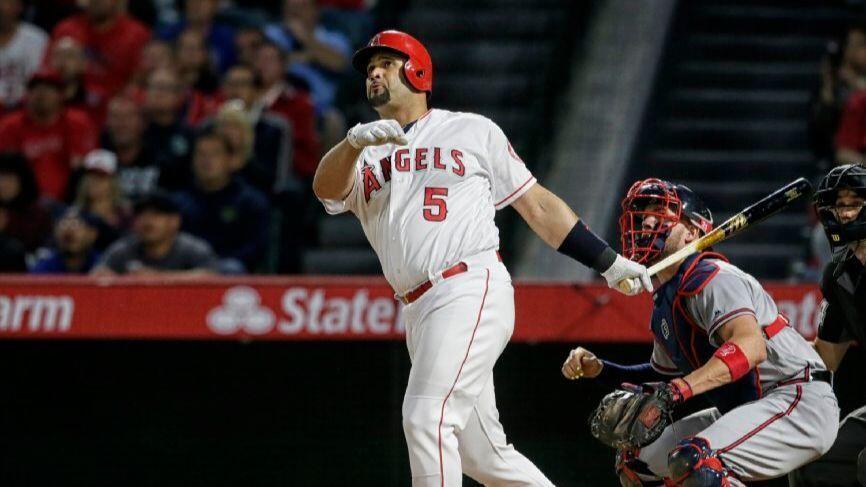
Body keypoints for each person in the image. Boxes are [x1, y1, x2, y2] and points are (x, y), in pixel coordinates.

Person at [313, 30, 651, 486]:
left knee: (425, 417)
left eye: (386, 63)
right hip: (418, 307)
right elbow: (325, 191)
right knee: (482, 456)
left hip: (467, 284)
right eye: (369, 67)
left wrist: (607, 261)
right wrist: (354, 142)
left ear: (417, 70)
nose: (374, 72)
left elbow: (538, 206)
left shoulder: (471, 129)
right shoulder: (363, 153)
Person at [561, 179, 839, 486]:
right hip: (752, 406)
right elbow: (664, 376)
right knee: (636, 461)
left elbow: (750, 347)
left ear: (693, 232)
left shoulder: (713, 276)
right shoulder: (666, 301)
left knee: (695, 461)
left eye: (662, 212)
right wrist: (601, 369)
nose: (648, 221)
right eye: (645, 214)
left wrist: (679, 390)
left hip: (798, 398)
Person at [789, 163, 866, 487]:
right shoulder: (838, 274)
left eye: (854, 203)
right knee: (809, 461)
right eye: (839, 204)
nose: (845, 214)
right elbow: (827, 356)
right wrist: (769, 341)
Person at [175, 130, 270, 274]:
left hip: (229, 269)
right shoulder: (178, 202)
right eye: (201, 154)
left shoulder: (250, 201)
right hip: (185, 270)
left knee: (232, 268)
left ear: (231, 160)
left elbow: (257, 247)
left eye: (215, 154)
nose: (206, 160)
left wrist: (211, 268)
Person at [0, 69, 98, 201]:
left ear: (61, 95)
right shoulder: (10, 126)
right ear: (27, 94)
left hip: (71, 202)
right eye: (36, 89)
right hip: (23, 207)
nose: (42, 94)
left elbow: (86, 166)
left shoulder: (78, 123)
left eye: (49, 89)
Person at [91, 190, 218, 276]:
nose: (147, 221)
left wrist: (158, 278)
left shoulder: (192, 249)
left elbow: (211, 276)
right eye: (141, 215)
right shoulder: (123, 250)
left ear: (175, 221)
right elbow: (96, 275)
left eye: (156, 215)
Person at [51, 0, 151, 103]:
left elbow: (139, 83)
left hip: (116, 107)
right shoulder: (65, 30)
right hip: (69, 103)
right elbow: (48, 71)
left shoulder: (137, 34)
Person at [264, 0, 351, 114]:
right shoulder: (273, 34)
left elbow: (341, 64)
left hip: (320, 110)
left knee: (333, 119)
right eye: (290, 6)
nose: (295, 11)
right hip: (276, 104)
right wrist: (310, 57)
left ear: (316, 11)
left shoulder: (334, 39)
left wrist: (305, 38)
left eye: (301, 7)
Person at [255, 40, 319, 180]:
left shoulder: (299, 103)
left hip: (287, 174)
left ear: (283, 66)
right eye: (259, 59)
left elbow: (306, 151)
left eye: (270, 60)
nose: (263, 65)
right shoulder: (244, 97)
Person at [141, 67, 196, 190]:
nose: (158, 93)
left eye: (164, 88)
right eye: (154, 87)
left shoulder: (189, 136)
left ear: (179, 96)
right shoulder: (135, 131)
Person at [101, 96, 161, 200]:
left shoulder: (160, 161)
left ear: (143, 123)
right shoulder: (98, 161)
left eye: (128, 117)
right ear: (107, 123)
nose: (121, 124)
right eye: (115, 117)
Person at [73, 149, 131, 251]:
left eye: (101, 177)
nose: (93, 181)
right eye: (89, 176)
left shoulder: (125, 214)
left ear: (113, 182)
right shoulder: (75, 213)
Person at [0, 0, 48, 112]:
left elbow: (42, 83)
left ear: (19, 7)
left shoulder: (37, 39)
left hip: (26, 110)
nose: (1, 7)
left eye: (6, 3)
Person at [0, 151, 52, 252]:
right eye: (0, 178)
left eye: (9, 178)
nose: (2, 185)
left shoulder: (38, 213)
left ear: (23, 181)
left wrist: (6, 226)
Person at [30, 207, 100, 274]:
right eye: (63, 224)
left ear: (92, 233)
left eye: (76, 224)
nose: (69, 230)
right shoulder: (44, 267)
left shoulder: (102, 264)